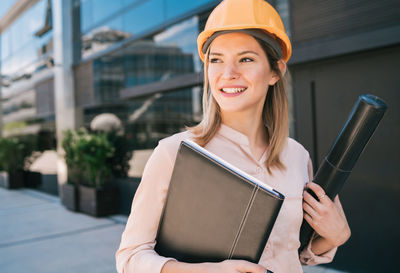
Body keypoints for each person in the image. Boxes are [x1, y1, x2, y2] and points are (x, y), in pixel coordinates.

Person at [115, 0, 351, 272]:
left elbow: (292, 253)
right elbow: (129, 259)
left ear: (276, 71)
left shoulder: (297, 156)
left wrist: (334, 237)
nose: (228, 74)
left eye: (246, 59)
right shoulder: (173, 153)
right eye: (217, 60)